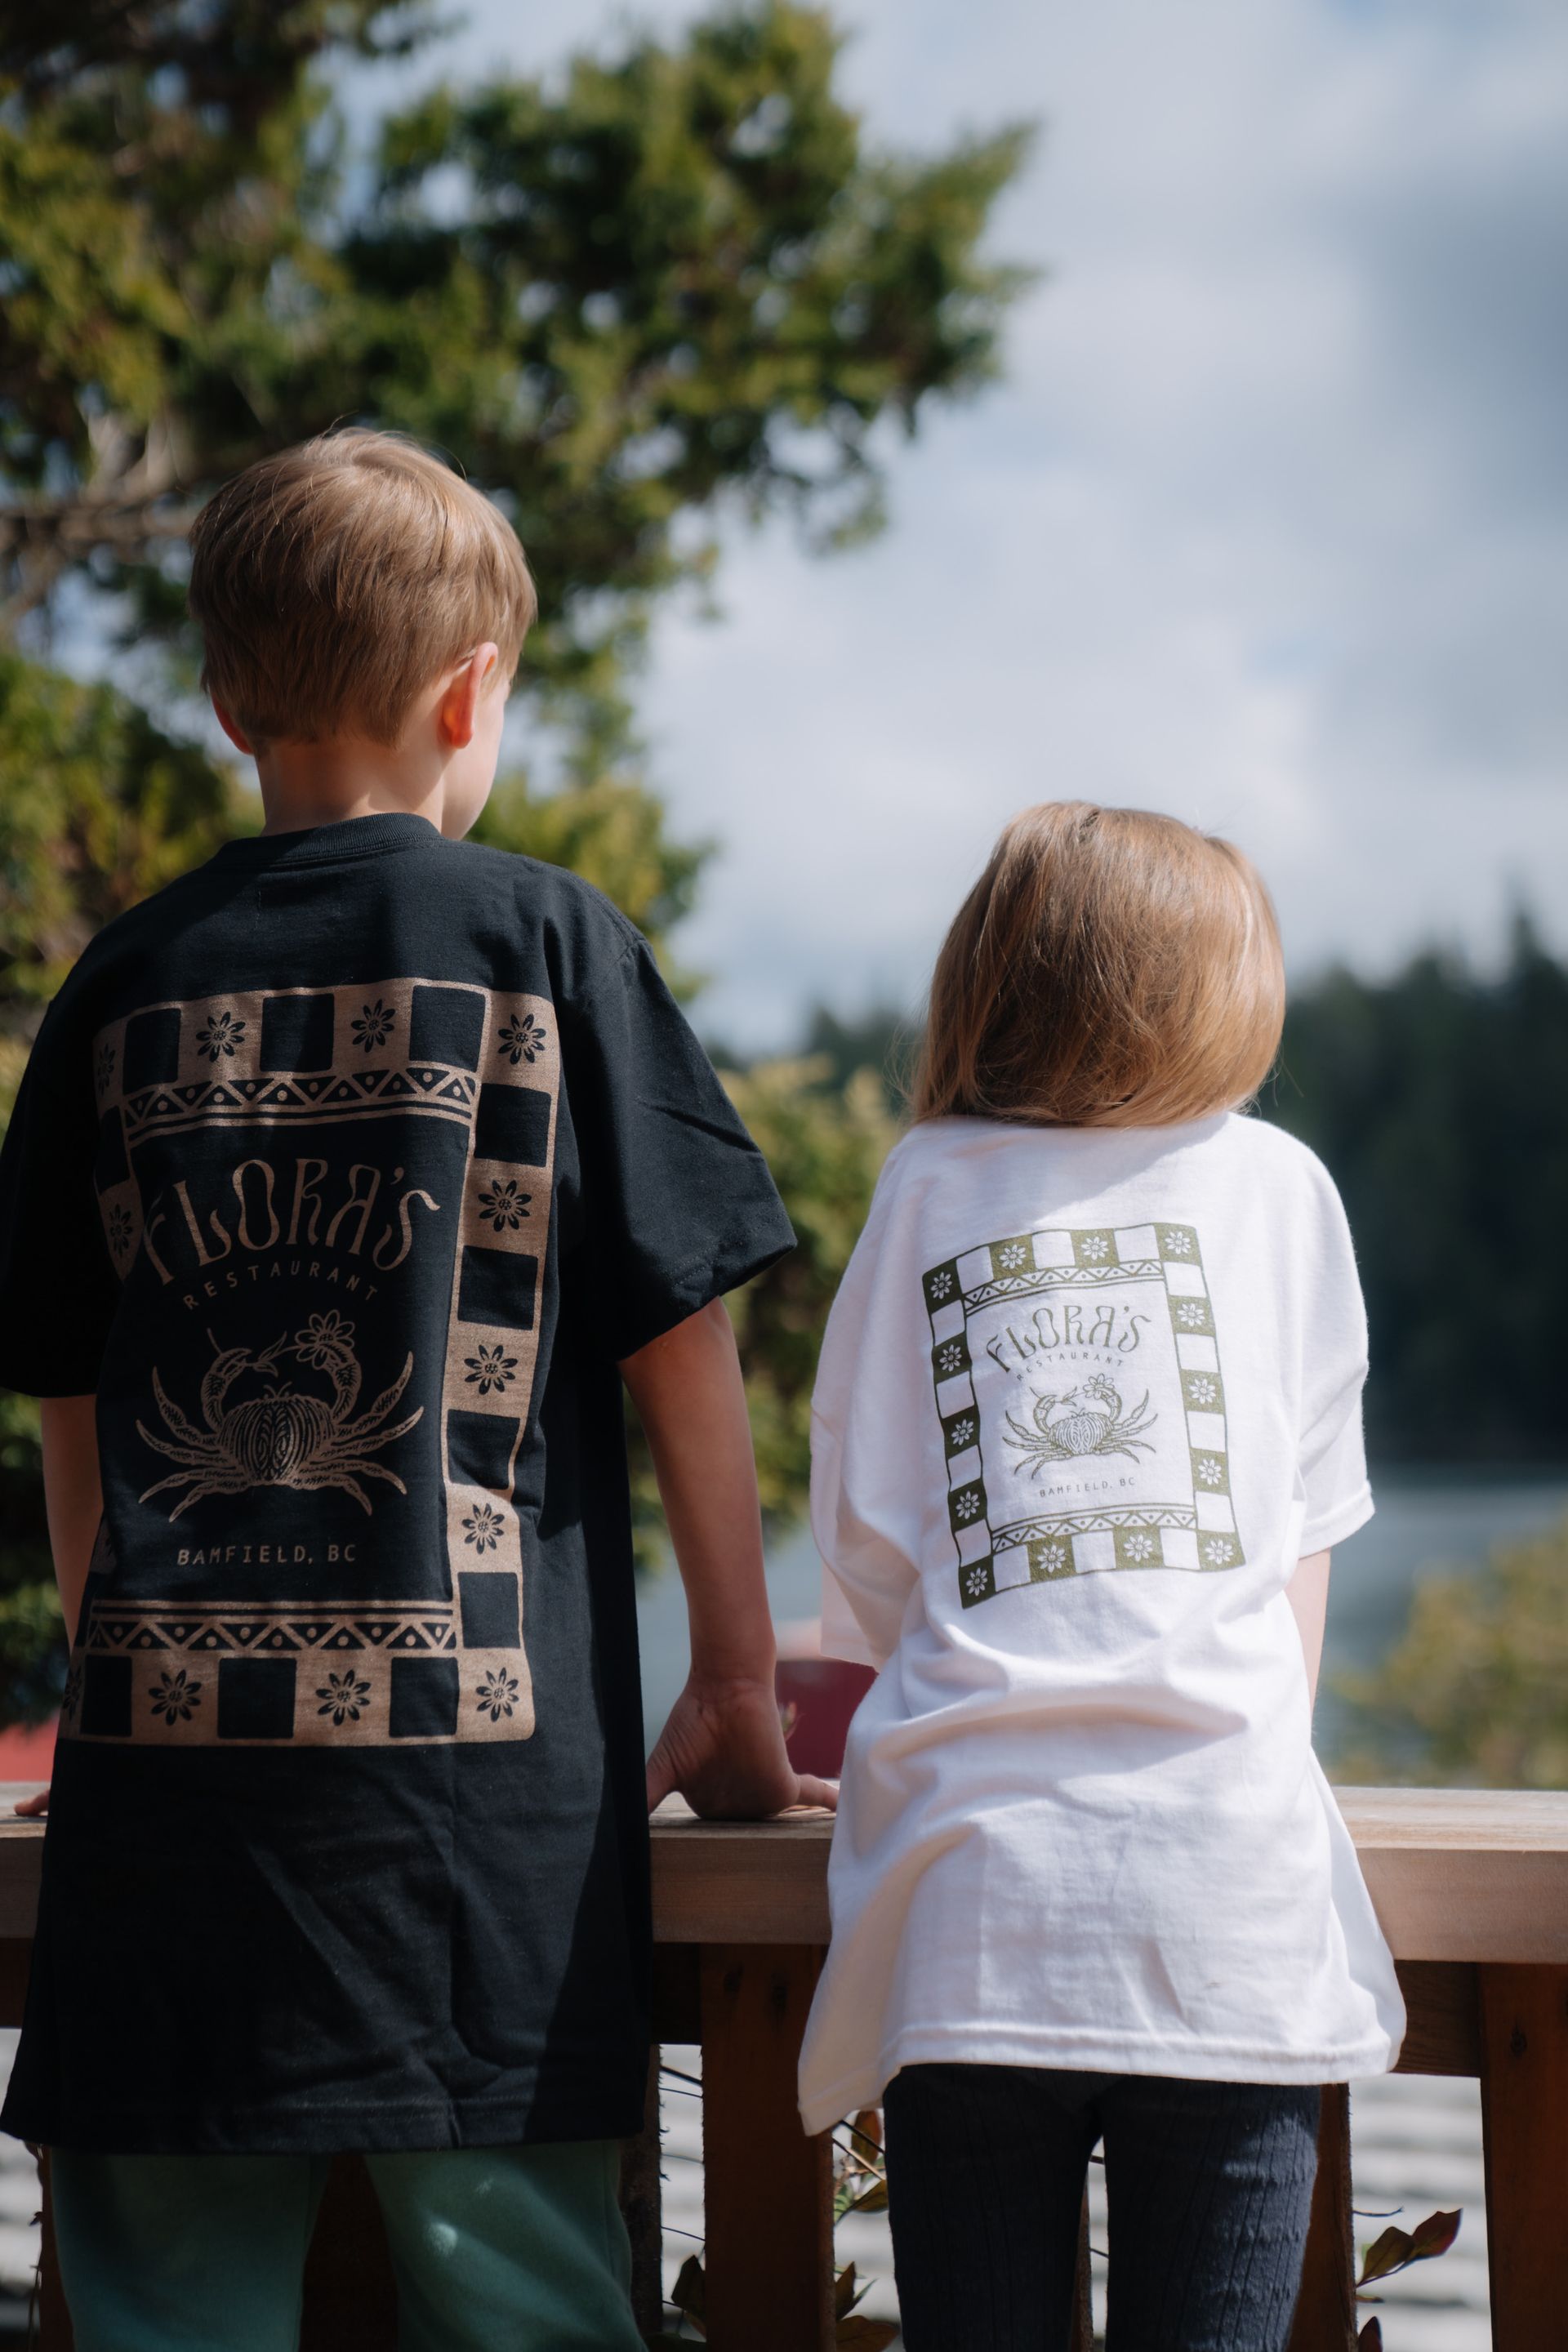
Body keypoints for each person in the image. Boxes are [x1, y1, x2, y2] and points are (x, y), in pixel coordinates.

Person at [0, 428, 831, 2352]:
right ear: (475, 695)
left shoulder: (120, 988)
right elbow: (682, 1344)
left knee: (160, 2315)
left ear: (224, 702)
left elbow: (64, 1397)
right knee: (533, 2316)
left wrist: (103, 1674)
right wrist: (732, 1673)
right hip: (487, 1863)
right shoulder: (551, 946)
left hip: (166, 1845)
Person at [797, 803, 1404, 2352]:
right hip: (1227, 1905)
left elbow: (866, 1538)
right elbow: (1303, 1543)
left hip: (974, 1903)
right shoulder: (1280, 1189)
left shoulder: (926, 1185)